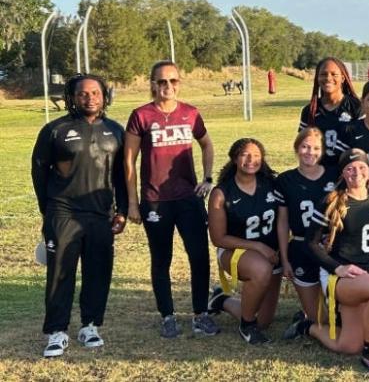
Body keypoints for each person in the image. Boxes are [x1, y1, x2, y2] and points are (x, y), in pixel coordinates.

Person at [32, 74, 128, 358]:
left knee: (98, 271)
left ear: (104, 96)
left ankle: (90, 325)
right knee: (61, 272)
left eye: (95, 93)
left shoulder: (115, 130)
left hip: (101, 213)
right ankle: (57, 331)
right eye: (83, 94)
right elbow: (39, 171)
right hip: (63, 211)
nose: (90, 98)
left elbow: (122, 177)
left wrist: (121, 210)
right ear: (72, 97)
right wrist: (48, 210)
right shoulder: (55, 130)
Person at [123, 60, 219, 338]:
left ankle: (201, 314)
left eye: (173, 81)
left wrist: (208, 178)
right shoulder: (141, 115)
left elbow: (207, 144)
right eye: (162, 81)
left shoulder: (190, 113)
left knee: (199, 257)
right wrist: (132, 202)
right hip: (155, 200)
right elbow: (129, 161)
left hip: (188, 198)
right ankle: (167, 315)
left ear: (179, 83)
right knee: (161, 258)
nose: (167, 87)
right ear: (152, 84)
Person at [291, 149, 369, 372]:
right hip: (341, 277)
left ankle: (307, 326)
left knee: (348, 345)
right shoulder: (332, 201)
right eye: (349, 168)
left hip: (368, 273)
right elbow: (310, 243)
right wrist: (337, 267)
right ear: (342, 174)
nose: (356, 172)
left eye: (361, 168)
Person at [206, 139, 281, 345]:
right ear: (234, 158)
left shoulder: (271, 184)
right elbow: (218, 238)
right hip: (234, 251)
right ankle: (246, 326)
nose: (251, 160)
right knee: (261, 269)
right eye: (245, 154)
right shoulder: (221, 193)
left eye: (256, 155)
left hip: (271, 253)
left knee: (264, 320)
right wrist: (258, 246)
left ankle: (221, 300)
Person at [274, 127, 338, 340]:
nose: (310, 152)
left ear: (323, 151)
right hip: (301, 246)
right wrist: (285, 260)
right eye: (305, 146)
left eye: (316, 148)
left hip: (331, 247)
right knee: (322, 320)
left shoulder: (334, 175)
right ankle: (306, 320)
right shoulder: (285, 180)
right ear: (296, 148)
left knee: (340, 318)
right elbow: (282, 223)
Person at [298, 57, 363, 169]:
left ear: (343, 78)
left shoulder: (356, 107)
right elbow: (303, 147)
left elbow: (364, 144)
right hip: (318, 173)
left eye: (334, 74)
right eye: (323, 74)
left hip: (348, 173)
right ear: (317, 78)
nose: (328, 78)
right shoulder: (310, 110)